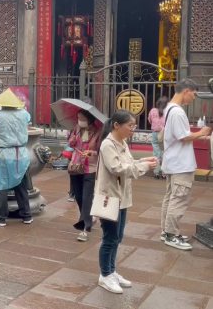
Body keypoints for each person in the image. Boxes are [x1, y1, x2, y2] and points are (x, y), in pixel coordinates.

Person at [95, 110, 157, 294]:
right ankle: (105, 275)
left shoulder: (121, 142)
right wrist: (143, 166)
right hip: (110, 198)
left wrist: (142, 160)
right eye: (130, 125)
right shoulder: (108, 144)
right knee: (110, 239)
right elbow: (117, 168)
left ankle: (112, 271)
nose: (133, 129)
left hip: (121, 198)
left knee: (117, 237)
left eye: (134, 125)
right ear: (116, 125)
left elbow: (128, 163)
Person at [160, 79, 211, 250]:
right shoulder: (178, 112)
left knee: (171, 197)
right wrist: (202, 132)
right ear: (187, 91)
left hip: (173, 161)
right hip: (181, 163)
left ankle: (167, 231)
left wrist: (199, 136)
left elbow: (178, 135)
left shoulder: (169, 109)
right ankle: (171, 235)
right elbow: (183, 136)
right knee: (179, 199)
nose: (194, 98)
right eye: (194, 94)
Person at [0, 88, 33, 227]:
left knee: (2, 186)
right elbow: (28, 122)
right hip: (22, 154)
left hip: (5, 154)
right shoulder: (24, 113)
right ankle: (27, 216)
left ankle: (0, 218)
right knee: (21, 186)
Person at [67, 109, 101, 241]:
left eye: (82, 118)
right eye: (78, 118)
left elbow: (100, 150)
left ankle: (85, 228)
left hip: (90, 168)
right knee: (79, 196)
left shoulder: (98, 132)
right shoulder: (76, 129)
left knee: (87, 197)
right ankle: (88, 217)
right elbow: (70, 144)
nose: (79, 121)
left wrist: (91, 152)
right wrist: (74, 138)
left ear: (89, 119)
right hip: (75, 166)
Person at [148, 96, 169, 179]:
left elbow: (149, 120)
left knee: (156, 153)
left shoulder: (153, 110)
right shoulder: (168, 112)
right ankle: (164, 173)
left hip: (154, 133)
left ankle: (156, 172)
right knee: (165, 152)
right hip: (164, 133)